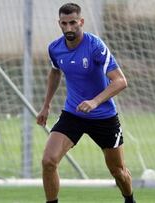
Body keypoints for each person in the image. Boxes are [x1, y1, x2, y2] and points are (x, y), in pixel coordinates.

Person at [36, 3, 136, 203]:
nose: (69, 28)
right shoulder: (55, 48)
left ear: (81, 21)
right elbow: (55, 72)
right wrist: (46, 105)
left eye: (73, 23)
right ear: (59, 24)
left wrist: (95, 102)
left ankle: (129, 200)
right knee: (48, 161)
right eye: (64, 24)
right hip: (73, 114)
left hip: (104, 117)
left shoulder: (95, 46)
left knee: (118, 171)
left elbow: (120, 81)